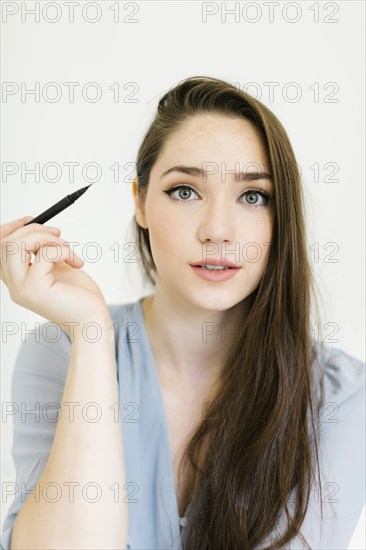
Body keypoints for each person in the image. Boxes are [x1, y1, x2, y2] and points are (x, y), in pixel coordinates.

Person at [0, 76, 364, 549]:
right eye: (185, 191)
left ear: (282, 216)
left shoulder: (343, 398)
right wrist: (91, 333)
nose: (217, 230)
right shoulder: (64, 351)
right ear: (140, 202)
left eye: (253, 196)